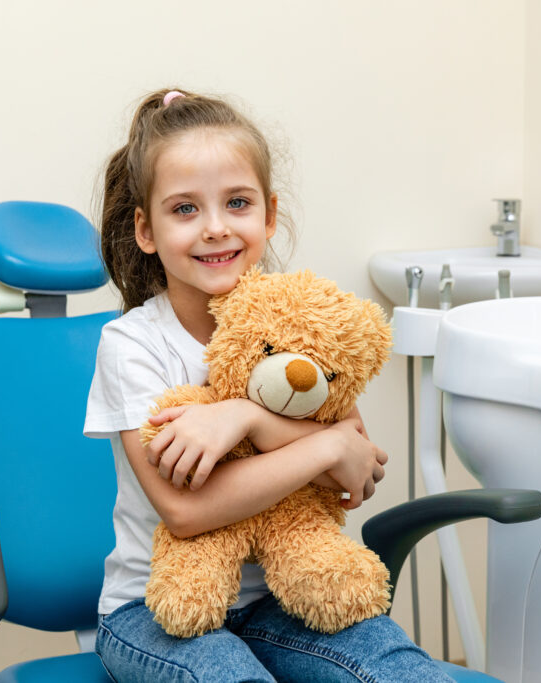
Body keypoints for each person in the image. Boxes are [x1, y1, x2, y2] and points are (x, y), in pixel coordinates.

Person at [84, 88, 454, 682]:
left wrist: (249, 419)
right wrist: (325, 442)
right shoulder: (131, 346)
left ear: (269, 214)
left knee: (406, 674)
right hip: (152, 613)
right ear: (145, 229)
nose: (214, 228)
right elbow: (184, 510)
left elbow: (351, 471)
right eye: (184, 209)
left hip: (280, 603)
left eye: (237, 202)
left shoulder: (300, 320)